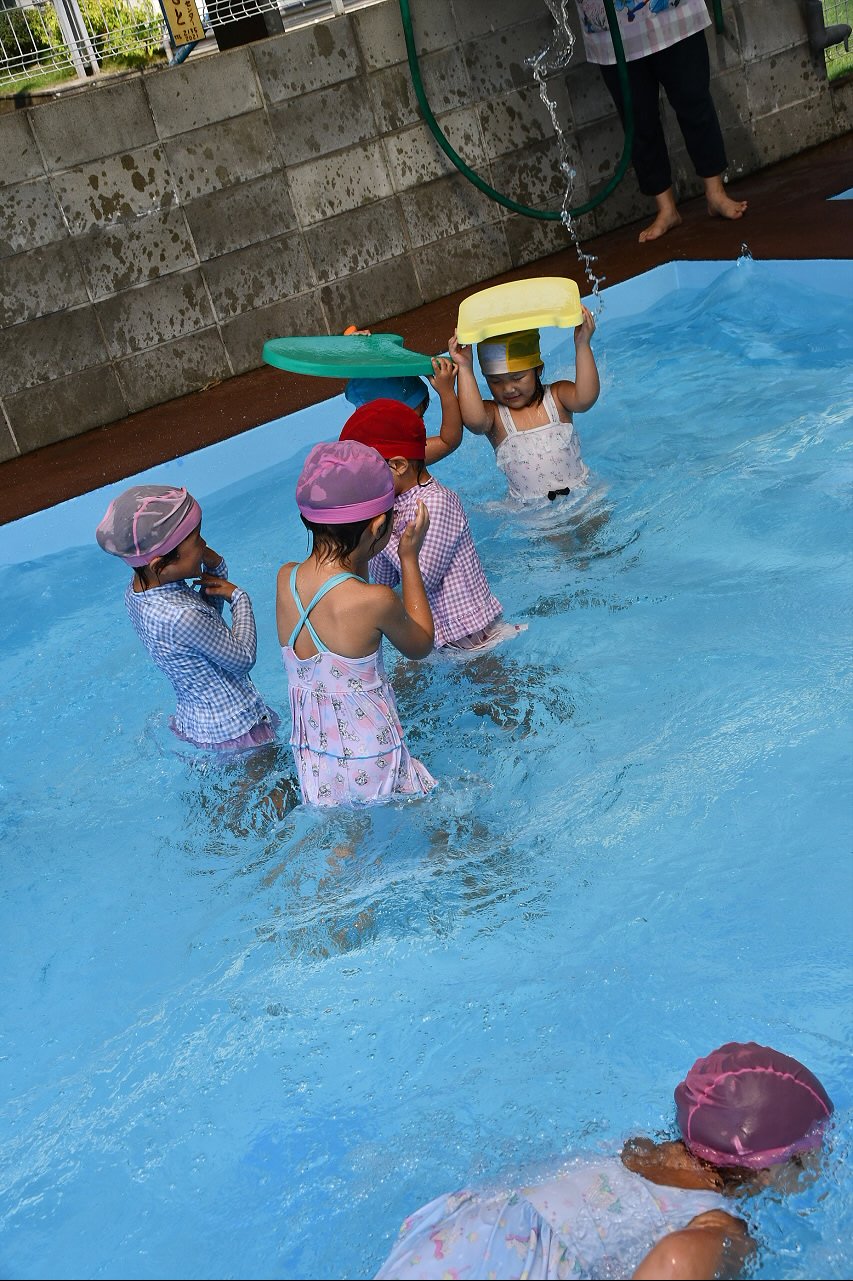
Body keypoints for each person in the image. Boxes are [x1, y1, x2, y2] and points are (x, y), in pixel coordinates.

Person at [374, 1039, 834, 1281]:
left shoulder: (639, 1150)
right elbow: (675, 1261)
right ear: (770, 1166)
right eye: (814, 1150)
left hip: (452, 1240)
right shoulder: (721, 1229)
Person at [276, 439, 437, 806]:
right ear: (379, 526)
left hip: (315, 756)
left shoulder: (286, 580)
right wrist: (408, 558)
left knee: (347, 836)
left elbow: (339, 588)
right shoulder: (375, 600)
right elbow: (421, 644)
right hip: (372, 756)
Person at [96, 484, 278, 751]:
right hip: (237, 726)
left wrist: (216, 568)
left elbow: (208, 629)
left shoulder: (137, 594)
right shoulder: (183, 616)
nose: (203, 545)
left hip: (201, 724)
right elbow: (242, 660)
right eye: (196, 541)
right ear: (161, 564)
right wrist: (240, 599)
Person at [339, 399, 524, 653]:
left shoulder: (437, 502)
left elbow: (424, 578)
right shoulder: (394, 505)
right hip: (434, 638)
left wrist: (386, 532)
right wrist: (374, 529)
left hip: (470, 635)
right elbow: (384, 581)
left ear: (398, 465)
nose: (360, 485)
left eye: (364, 475)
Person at [573, 0, 748, 243]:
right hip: (611, 25)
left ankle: (715, 192)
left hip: (672, 15)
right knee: (639, 119)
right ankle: (666, 208)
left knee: (693, 98)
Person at [449, 311, 600, 503]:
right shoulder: (496, 416)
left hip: (582, 497)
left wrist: (582, 344)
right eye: (495, 381)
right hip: (533, 512)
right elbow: (474, 422)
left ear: (538, 369)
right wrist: (464, 368)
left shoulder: (557, 397)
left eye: (518, 378)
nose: (508, 388)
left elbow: (585, 399)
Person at [344, 326, 463, 466]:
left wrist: (354, 345)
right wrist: (447, 393)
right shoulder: (403, 457)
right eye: (416, 419)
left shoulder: (353, 456)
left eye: (421, 417)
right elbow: (448, 442)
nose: (422, 425)